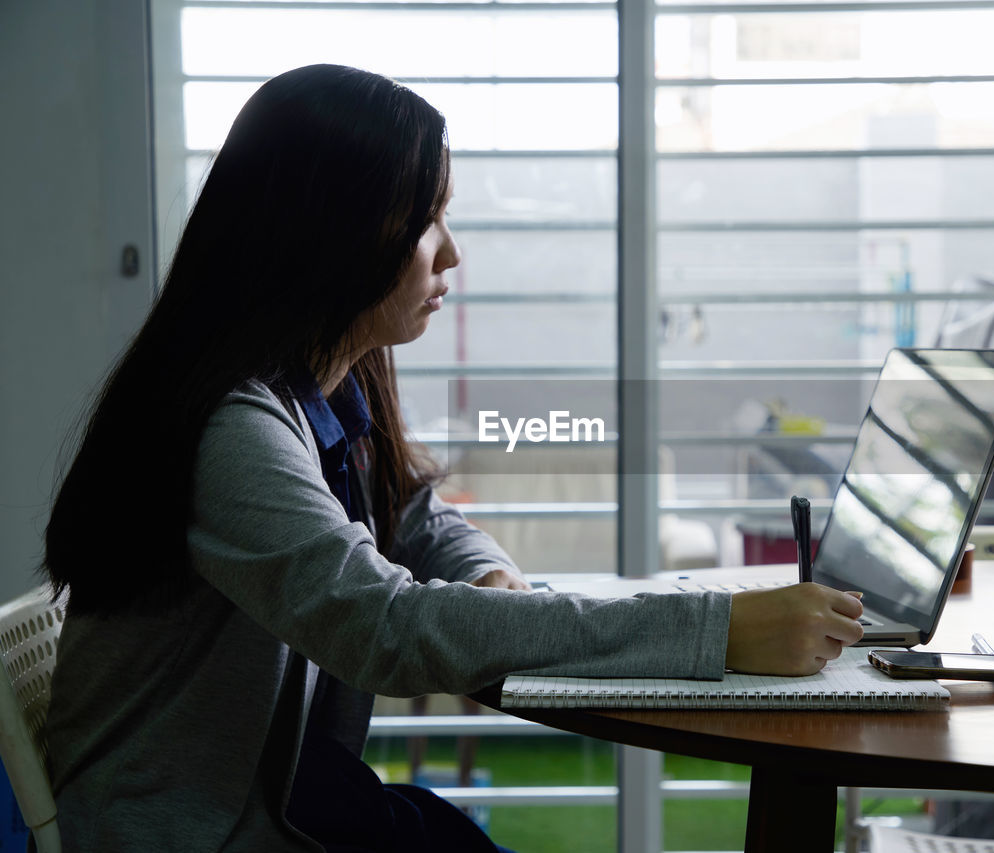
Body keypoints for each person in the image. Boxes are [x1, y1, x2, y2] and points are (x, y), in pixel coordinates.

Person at [40, 64, 865, 853]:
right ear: (335, 234)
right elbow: (385, 627)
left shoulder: (320, 386)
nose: (452, 253)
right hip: (203, 831)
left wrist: (486, 573)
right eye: (426, 219)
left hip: (290, 799)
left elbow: (413, 514)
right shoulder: (232, 429)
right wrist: (718, 628)